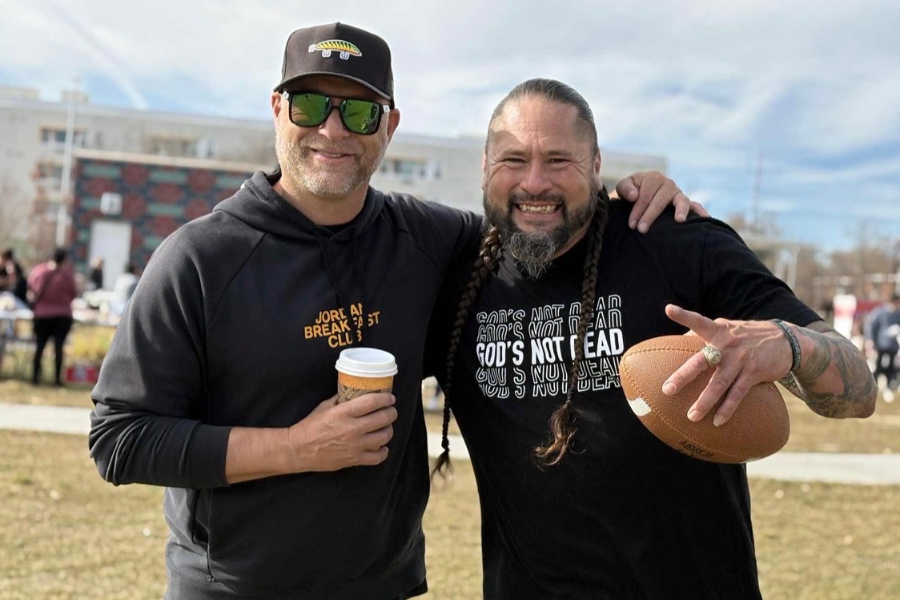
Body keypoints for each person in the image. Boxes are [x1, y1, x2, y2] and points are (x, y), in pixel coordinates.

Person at [88, 23, 698, 600]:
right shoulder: (200, 259)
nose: (332, 130)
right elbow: (120, 438)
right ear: (277, 109)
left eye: (359, 111)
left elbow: (538, 219)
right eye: (309, 105)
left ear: (390, 125)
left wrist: (624, 194)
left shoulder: (432, 240)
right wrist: (297, 447)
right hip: (232, 589)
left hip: (383, 587)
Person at [430, 78, 877, 600]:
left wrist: (788, 343)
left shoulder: (677, 243)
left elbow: (860, 390)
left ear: (596, 166)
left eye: (559, 160)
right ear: (485, 165)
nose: (535, 182)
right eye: (513, 159)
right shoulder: (456, 280)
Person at [27, 248, 78, 386]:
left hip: (42, 314)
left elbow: (32, 289)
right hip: (62, 315)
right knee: (58, 347)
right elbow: (73, 293)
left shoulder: (39, 271)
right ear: (64, 259)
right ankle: (57, 379)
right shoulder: (67, 275)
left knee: (39, 346)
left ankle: (35, 377)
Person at [865, 293, 900, 401]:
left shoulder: (897, 314)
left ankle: (889, 387)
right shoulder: (880, 312)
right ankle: (873, 387)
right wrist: (870, 341)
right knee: (878, 366)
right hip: (881, 345)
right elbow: (871, 326)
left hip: (893, 346)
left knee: (891, 367)